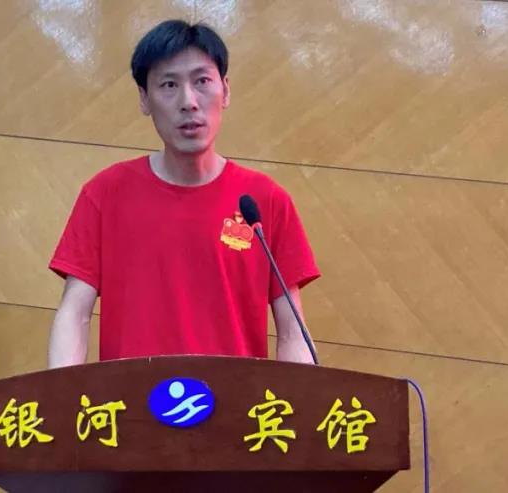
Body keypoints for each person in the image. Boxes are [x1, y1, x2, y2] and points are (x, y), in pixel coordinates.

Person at [46, 19, 320, 368]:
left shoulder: (264, 201)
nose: (188, 102)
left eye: (202, 81)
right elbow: (75, 314)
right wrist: (62, 394)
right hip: (130, 401)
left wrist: (301, 397)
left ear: (226, 91)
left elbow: (292, 332)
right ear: (144, 99)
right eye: (169, 85)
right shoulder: (104, 194)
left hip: (235, 401)